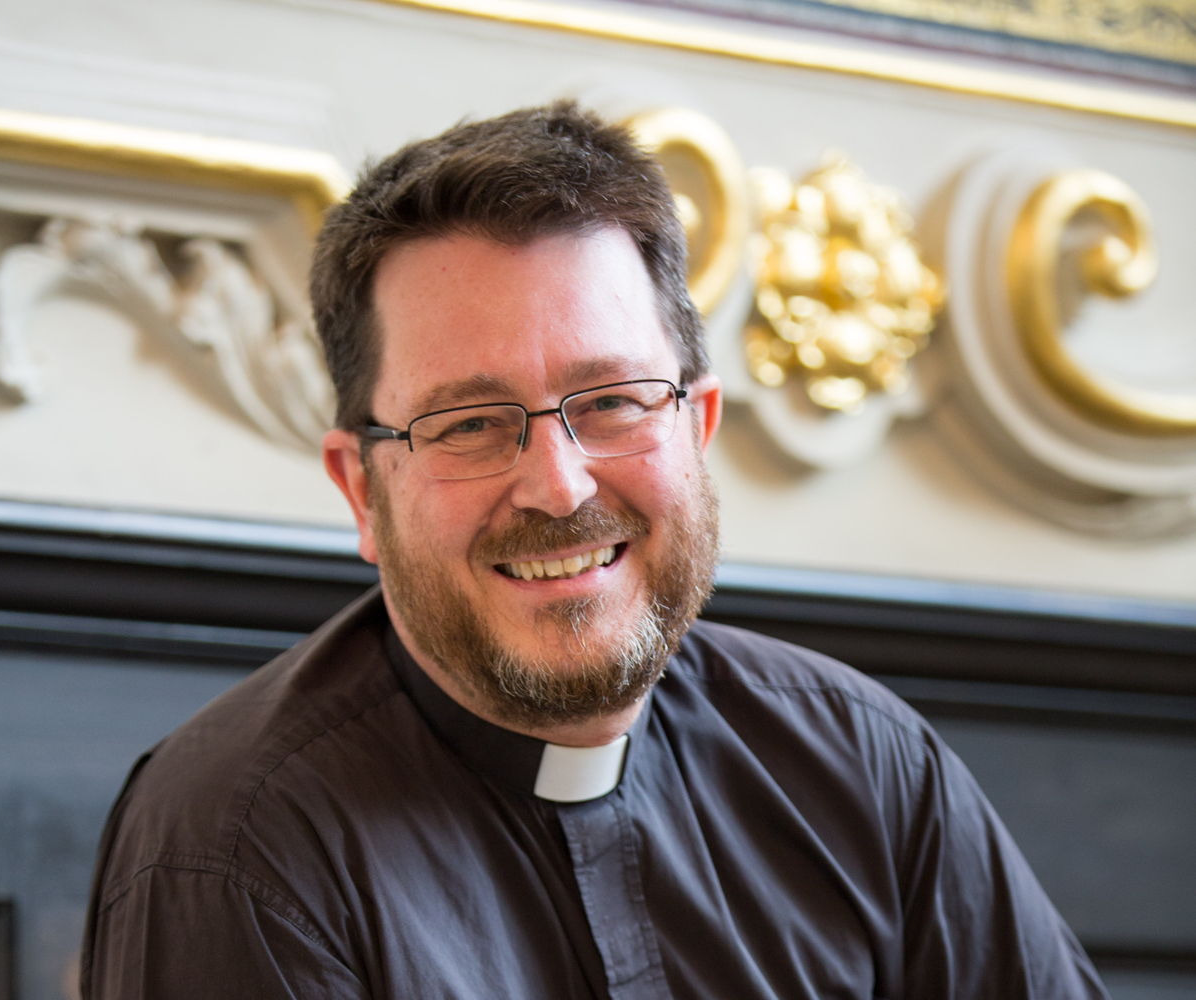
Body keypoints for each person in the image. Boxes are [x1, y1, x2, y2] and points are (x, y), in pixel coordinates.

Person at [80, 102, 1108, 1000]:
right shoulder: (230, 850)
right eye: (470, 422)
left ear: (696, 431)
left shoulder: (864, 765)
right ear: (361, 486)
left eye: (613, 401)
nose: (559, 484)